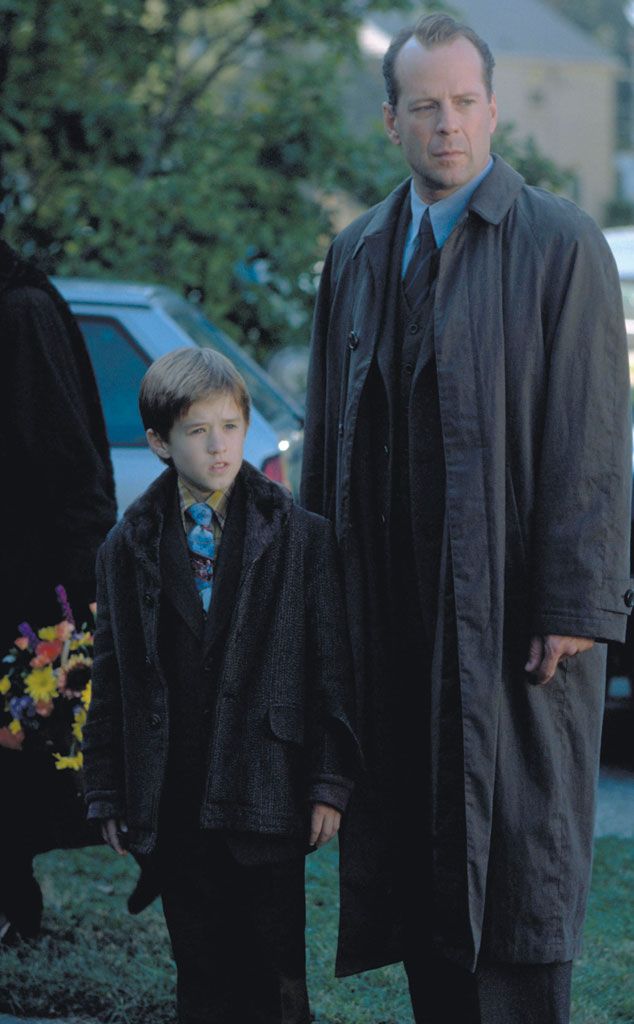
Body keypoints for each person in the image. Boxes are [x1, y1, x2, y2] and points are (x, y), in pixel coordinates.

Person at [300, 13, 632, 1024]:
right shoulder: (357, 254)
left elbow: (589, 440)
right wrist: (317, 615)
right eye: (423, 107)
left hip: (515, 625)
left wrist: (571, 602)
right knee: (419, 871)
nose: (446, 125)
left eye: (463, 103)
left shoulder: (560, 243)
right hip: (391, 621)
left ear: (491, 110)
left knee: (517, 878)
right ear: (390, 123)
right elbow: (322, 450)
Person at [82, 347, 358, 1024]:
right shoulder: (128, 546)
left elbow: (331, 669)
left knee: (276, 974)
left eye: (230, 426)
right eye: (198, 431)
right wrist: (107, 787)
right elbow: (112, 676)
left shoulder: (299, 537)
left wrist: (329, 783)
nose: (218, 446)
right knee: (201, 970)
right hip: (175, 795)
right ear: (159, 442)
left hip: (269, 790)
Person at [0, 238, 117, 940]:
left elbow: (73, 469)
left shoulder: (22, 312)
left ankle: (16, 911)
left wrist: (87, 602)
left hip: (24, 591)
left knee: (22, 751)